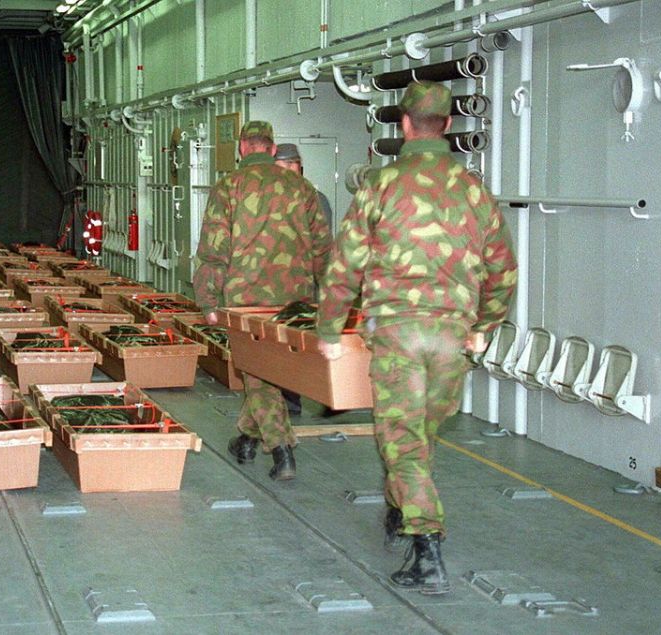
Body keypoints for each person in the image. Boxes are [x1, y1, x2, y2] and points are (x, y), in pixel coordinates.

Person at [315, 81, 517, 594]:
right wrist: (484, 328)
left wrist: (329, 327)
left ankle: (426, 549)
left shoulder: (380, 186)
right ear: (448, 125)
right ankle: (400, 507)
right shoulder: (475, 190)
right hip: (452, 335)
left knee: (402, 441)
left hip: (398, 333)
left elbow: (346, 263)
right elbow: (503, 270)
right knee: (419, 435)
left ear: (403, 124)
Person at [193, 121, 331, 480]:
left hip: (247, 300)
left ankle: (282, 451)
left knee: (257, 374)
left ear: (242, 148)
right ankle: (245, 439)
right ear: (272, 150)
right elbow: (324, 251)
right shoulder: (304, 189)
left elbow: (213, 251)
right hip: (296, 301)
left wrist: (208, 301)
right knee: (268, 372)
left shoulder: (228, 187)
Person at [273, 142, 333, 417]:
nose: (287, 170)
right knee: (289, 343)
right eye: (282, 165)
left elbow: (322, 244)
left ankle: (324, 394)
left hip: (305, 284)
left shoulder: (315, 200)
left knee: (305, 341)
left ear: (300, 167)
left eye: (291, 164)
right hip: (285, 285)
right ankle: (293, 397)